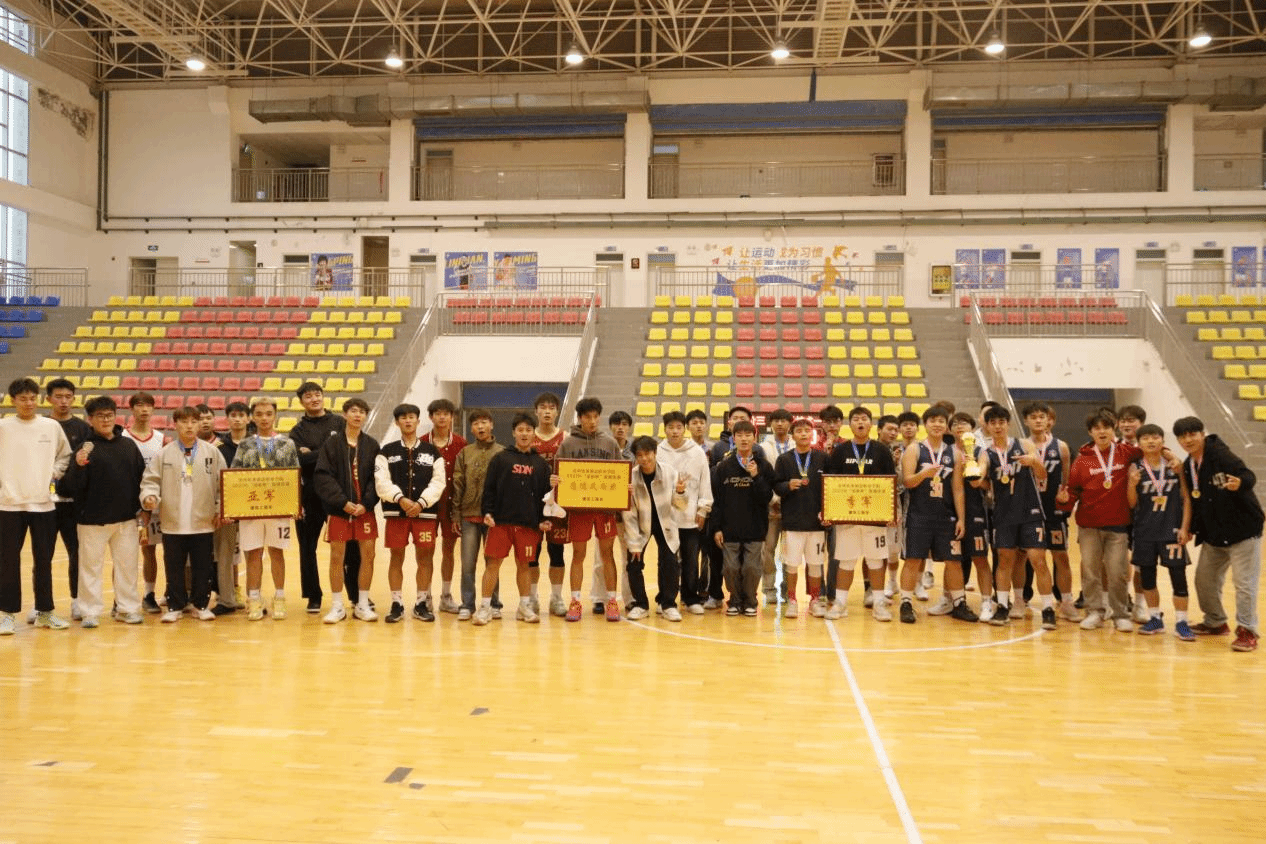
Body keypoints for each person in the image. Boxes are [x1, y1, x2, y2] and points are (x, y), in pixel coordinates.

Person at [1174, 416, 1263, 652]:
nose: (1188, 440)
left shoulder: (1221, 455)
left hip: (1243, 531)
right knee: (1204, 580)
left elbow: (1248, 476)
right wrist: (1190, 528)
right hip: (1214, 535)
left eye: (1193, 434)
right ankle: (1215, 621)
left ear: (1202, 434)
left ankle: (1247, 630)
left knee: (1244, 583)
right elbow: (1196, 500)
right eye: (1183, 436)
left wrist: (1240, 483)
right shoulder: (1189, 465)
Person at [58, 396, 146, 628]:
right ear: (90, 419)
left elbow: (141, 478)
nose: (106, 420)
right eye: (100, 416)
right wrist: (78, 466)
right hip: (91, 520)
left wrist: (141, 510)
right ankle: (89, 612)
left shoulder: (128, 446)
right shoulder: (84, 449)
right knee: (90, 568)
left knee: (127, 567)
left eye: (109, 415)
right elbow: (68, 487)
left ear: (115, 416)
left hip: (125, 519)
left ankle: (127, 609)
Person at [140, 404, 227, 624]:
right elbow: (151, 481)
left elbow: (223, 484)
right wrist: (149, 497)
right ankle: (175, 606)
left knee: (202, 567)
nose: (189, 426)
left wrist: (220, 509)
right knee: (174, 567)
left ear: (199, 424)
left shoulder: (212, 452)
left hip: (203, 520)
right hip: (173, 521)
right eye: (184, 421)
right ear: (175, 424)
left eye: (193, 421)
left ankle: (200, 605)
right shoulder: (164, 453)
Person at [0, 377, 72, 634]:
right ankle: (6, 614)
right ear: (13, 401)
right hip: (9, 506)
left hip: (43, 505)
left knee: (44, 560)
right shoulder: (3, 427)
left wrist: (54, 473)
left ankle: (45, 612)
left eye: (32, 398)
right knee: (7, 561)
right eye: (23, 399)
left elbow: (65, 456)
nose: (29, 403)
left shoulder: (51, 426)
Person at [1066, 408, 1142, 632]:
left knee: (1117, 573)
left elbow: (1150, 449)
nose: (1102, 432)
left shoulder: (1126, 452)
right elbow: (1073, 490)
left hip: (1118, 525)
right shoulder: (1082, 460)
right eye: (1097, 428)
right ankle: (1094, 612)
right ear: (1090, 432)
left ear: (1113, 429)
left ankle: (1120, 614)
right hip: (1089, 525)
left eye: (1106, 427)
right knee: (1091, 572)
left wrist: (1168, 454)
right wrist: (1063, 501)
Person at [476, 412, 552, 626]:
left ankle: (524, 606)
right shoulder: (500, 459)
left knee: (525, 565)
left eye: (528, 430)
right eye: (520, 430)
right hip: (501, 523)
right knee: (492, 565)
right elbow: (489, 488)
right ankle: (485, 607)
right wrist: (487, 512)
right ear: (513, 433)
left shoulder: (541, 464)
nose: (524, 434)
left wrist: (543, 519)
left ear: (534, 433)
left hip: (528, 525)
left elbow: (545, 496)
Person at [981, 405, 1054, 629]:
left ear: (1008, 424)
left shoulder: (1024, 445)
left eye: (1001, 422)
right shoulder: (986, 453)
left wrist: (1034, 462)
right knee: (1004, 560)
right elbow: (980, 480)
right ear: (987, 426)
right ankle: (1003, 606)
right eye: (993, 423)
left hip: (1030, 511)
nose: (997, 426)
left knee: (1038, 559)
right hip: (1004, 513)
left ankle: (1048, 609)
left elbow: (1042, 475)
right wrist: (974, 472)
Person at [898, 406, 971, 625]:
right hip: (918, 515)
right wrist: (923, 474)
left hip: (946, 517)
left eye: (941, 421)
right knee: (913, 559)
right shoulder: (914, 449)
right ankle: (905, 603)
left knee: (953, 561)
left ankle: (959, 603)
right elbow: (907, 482)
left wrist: (961, 518)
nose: (937, 424)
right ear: (925, 424)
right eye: (933, 421)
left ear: (946, 426)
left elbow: (958, 489)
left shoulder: (954, 453)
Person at [555, 397, 625, 623]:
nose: (592, 421)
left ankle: (611, 601)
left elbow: (620, 474)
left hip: (604, 509)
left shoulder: (610, 443)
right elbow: (558, 474)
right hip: (579, 509)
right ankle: (575, 601)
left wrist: (625, 487)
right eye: (588, 417)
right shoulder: (568, 444)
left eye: (596, 417)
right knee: (578, 554)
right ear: (580, 418)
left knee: (607, 554)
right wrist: (556, 480)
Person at [290, 380, 358, 613]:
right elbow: (299, 460)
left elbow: (349, 450)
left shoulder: (339, 422)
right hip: (309, 495)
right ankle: (313, 596)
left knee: (349, 546)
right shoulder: (297, 431)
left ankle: (355, 595)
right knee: (307, 548)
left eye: (317, 394)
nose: (314, 399)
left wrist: (313, 453)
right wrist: (330, 450)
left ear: (323, 396)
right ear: (302, 402)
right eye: (308, 396)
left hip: (339, 494)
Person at [231, 398, 302, 621]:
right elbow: (234, 475)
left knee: (276, 552)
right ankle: (254, 598)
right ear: (253, 417)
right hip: (251, 510)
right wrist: (234, 507)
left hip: (278, 509)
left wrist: (295, 505)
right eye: (259, 414)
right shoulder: (245, 445)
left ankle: (279, 597)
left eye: (268, 414)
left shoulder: (286, 444)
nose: (264, 418)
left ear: (275, 416)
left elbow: (295, 476)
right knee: (253, 554)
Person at [825, 407, 898, 621]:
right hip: (847, 516)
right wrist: (830, 511)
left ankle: (879, 603)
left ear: (870, 424)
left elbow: (891, 482)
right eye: (855, 419)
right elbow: (831, 483)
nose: (860, 422)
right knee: (846, 561)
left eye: (864, 419)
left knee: (875, 561)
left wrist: (891, 512)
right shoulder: (840, 451)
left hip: (875, 517)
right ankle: (840, 603)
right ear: (850, 425)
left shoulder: (881, 450)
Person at [374, 403, 445, 623]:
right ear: (397, 422)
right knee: (396, 557)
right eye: (403, 417)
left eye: (411, 417)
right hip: (397, 514)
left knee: (425, 558)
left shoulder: (432, 451)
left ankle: (421, 603)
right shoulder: (386, 451)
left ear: (417, 420)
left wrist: (422, 503)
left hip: (425, 514)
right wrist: (400, 499)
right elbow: (381, 482)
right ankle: (396, 603)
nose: (407, 420)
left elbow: (439, 482)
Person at [1126, 424, 1195, 641]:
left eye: (1155, 437)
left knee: (1179, 578)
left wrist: (1185, 527)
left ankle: (1182, 622)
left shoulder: (1175, 465)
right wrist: (1132, 484)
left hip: (1171, 531)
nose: (1151, 441)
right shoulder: (1135, 467)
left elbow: (1186, 498)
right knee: (1147, 578)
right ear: (1139, 443)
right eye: (1146, 438)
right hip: (1145, 532)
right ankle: (1155, 618)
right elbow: (1131, 503)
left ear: (1162, 441)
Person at [315, 398, 380, 624]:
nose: (358, 415)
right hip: (340, 511)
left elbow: (377, 478)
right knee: (337, 556)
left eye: (362, 412)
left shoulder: (372, 445)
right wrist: (342, 502)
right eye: (353, 411)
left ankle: (362, 604)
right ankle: (336, 606)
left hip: (365, 511)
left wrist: (367, 503)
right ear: (345, 415)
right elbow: (323, 476)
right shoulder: (332, 444)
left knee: (368, 556)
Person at [709, 419, 774, 616]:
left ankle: (750, 601)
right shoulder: (723, 467)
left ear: (755, 438)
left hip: (755, 527)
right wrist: (717, 528)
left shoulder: (763, 466)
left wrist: (756, 476)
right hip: (730, 528)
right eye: (740, 435)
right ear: (733, 438)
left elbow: (767, 497)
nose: (744, 439)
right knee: (730, 568)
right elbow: (717, 500)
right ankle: (735, 600)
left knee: (752, 568)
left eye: (748, 435)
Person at [1021, 402, 1079, 622]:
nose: (1038, 420)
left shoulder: (1061, 447)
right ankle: (1021, 598)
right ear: (1026, 421)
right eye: (1033, 417)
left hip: (1053, 510)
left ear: (1049, 420)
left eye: (1042, 417)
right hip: (1029, 509)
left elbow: (1067, 479)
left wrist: (1066, 497)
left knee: (1060, 556)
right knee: (1026, 557)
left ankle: (1066, 602)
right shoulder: (1021, 446)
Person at [623, 436, 687, 621]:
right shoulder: (631, 477)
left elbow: (681, 506)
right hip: (641, 524)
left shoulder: (669, 472)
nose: (644, 459)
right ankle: (640, 604)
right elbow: (629, 513)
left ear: (655, 453)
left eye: (648, 454)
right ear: (635, 457)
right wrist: (634, 543)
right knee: (634, 563)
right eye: (639, 455)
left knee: (671, 563)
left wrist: (681, 492)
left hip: (666, 523)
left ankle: (668, 605)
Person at [450, 409, 504, 621]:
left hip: (494, 519)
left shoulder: (502, 452)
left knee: (493, 563)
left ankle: (494, 603)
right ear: (471, 428)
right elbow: (457, 484)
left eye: (484, 422)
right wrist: (456, 514)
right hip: (469, 516)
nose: (480, 427)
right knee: (467, 564)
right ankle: (467, 603)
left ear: (491, 425)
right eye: (475, 424)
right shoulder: (465, 453)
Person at [657, 410, 712, 614]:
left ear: (684, 429)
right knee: (666, 561)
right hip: (666, 517)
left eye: (678, 427)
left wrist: (703, 509)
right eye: (670, 427)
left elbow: (705, 483)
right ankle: (665, 599)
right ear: (665, 429)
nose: (674, 431)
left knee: (690, 560)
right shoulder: (658, 451)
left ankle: (690, 598)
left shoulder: (697, 452)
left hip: (690, 516)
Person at [45, 377, 91, 621]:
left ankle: (77, 600)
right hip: (44, 502)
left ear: (74, 398)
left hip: (74, 503)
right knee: (43, 554)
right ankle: (43, 605)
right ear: (48, 399)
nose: (63, 401)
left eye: (68, 397)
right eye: (58, 396)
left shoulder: (83, 429)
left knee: (77, 553)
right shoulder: (41, 426)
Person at [773, 417, 827, 618]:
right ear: (792, 436)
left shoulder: (823, 458)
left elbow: (830, 487)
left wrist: (827, 512)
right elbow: (776, 486)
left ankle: (815, 600)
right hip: (792, 522)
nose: (804, 434)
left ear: (812, 434)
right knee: (791, 564)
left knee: (815, 564)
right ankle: (792, 600)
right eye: (799, 431)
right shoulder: (784, 459)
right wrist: (787, 485)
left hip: (817, 522)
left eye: (807, 430)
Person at [123, 392, 168, 614]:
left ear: (153, 409)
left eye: (148, 405)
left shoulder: (161, 439)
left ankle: (150, 594)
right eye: (139, 405)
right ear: (131, 409)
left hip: (155, 504)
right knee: (124, 553)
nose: (144, 409)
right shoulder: (123, 437)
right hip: (129, 505)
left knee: (152, 550)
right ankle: (121, 598)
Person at [420, 398, 466, 615]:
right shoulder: (421, 443)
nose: (442, 417)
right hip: (427, 506)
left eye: (446, 413)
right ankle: (425, 596)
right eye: (437, 413)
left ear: (452, 417)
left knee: (448, 551)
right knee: (426, 551)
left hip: (451, 507)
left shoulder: (461, 444)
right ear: (431, 417)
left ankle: (446, 596)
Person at [949, 412, 996, 623]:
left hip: (975, 511)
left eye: (964, 423)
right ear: (950, 429)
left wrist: (974, 469)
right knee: (952, 559)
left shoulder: (980, 452)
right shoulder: (945, 452)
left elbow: (982, 483)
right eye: (955, 423)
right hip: (949, 511)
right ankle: (950, 599)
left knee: (980, 558)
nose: (959, 426)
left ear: (972, 428)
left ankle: (986, 602)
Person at [530, 392, 569, 617]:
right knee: (532, 554)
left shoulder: (566, 437)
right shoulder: (527, 436)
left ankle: (556, 598)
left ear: (556, 412)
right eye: (543, 407)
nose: (547, 411)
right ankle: (532, 598)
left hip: (558, 504)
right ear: (536, 411)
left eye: (551, 408)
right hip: (532, 504)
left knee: (557, 552)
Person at [211, 401, 251, 614]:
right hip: (227, 510)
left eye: (241, 415)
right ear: (227, 419)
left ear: (248, 418)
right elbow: (215, 479)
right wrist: (220, 508)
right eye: (233, 415)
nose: (237, 419)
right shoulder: (217, 448)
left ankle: (255, 600)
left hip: (253, 509)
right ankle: (226, 600)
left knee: (254, 556)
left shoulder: (257, 444)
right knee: (224, 556)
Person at [759, 408, 793, 606]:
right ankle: (769, 588)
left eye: (784, 420)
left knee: (790, 552)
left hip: (793, 507)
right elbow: (762, 477)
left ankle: (788, 588)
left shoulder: (797, 445)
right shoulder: (763, 447)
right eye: (776, 420)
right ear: (770, 424)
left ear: (790, 423)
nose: (780, 424)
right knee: (768, 550)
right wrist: (772, 499)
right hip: (770, 507)